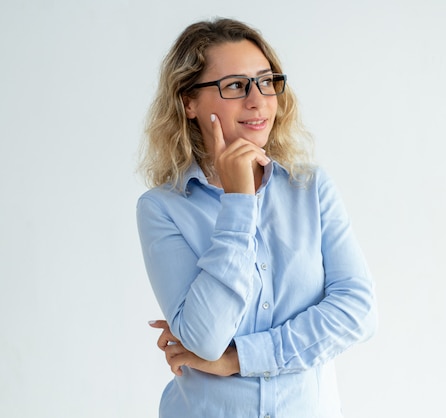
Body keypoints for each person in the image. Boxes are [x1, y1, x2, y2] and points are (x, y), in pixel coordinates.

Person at [136, 17, 377, 418]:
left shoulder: (310, 188)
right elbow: (206, 340)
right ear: (188, 102)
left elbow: (358, 311)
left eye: (266, 81)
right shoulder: (161, 208)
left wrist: (240, 358)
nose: (258, 99)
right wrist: (239, 202)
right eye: (234, 85)